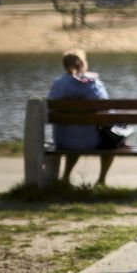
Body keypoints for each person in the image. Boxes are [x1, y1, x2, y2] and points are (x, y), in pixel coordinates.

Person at [47, 48, 119, 186]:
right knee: (111, 143)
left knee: (74, 133)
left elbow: (51, 108)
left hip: (63, 141)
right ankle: (101, 180)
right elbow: (105, 108)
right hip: (90, 141)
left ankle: (65, 177)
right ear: (83, 63)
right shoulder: (92, 82)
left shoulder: (58, 84)